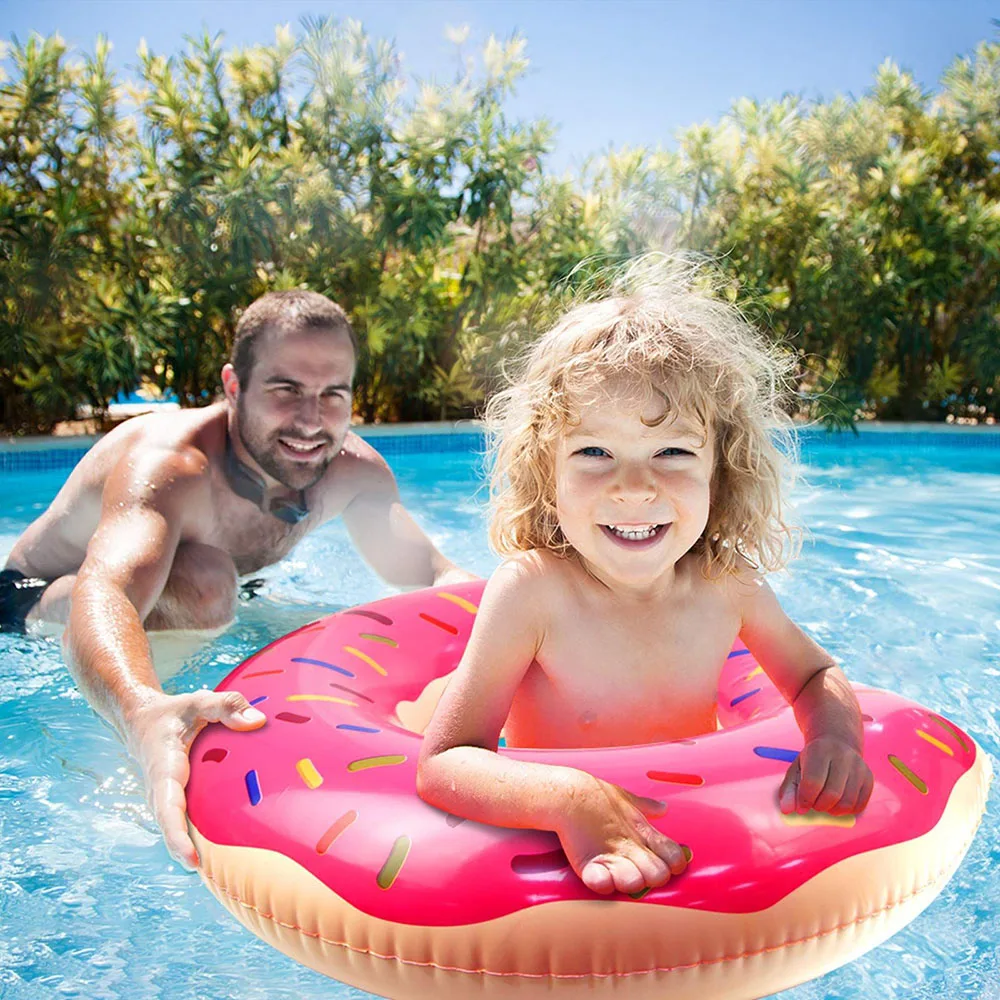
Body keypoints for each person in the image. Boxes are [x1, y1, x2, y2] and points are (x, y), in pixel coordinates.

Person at [416, 259, 875, 898]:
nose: (634, 488)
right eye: (594, 453)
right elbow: (443, 763)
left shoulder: (725, 584)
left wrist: (835, 736)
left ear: (724, 470)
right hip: (549, 854)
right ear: (548, 476)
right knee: (439, 699)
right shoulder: (533, 592)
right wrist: (569, 798)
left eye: (672, 453)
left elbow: (812, 674)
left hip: (693, 824)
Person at [2, 289, 475, 869]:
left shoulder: (351, 472)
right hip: (34, 598)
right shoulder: (172, 466)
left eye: (333, 395)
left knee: (316, 630)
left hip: (211, 592)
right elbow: (110, 593)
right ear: (233, 386)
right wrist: (142, 711)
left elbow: (427, 571)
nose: (311, 420)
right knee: (206, 583)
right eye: (286, 391)